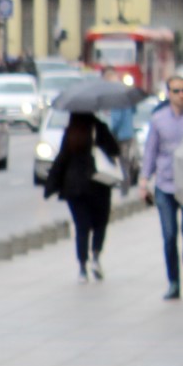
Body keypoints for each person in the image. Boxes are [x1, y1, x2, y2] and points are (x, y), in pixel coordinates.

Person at [140, 75, 183, 300]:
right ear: (169, 94)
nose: (182, 95)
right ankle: (174, 282)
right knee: (169, 236)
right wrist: (144, 180)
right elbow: (150, 150)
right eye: (177, 91)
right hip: (165, 185)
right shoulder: (158, 120)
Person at [44, 113, 121, 283]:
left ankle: (82, 268)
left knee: (81, 227)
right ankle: (95, 256)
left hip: (75, 188)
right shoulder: (100, 128)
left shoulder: (72, 132)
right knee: (100, 224)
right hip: (98, 185)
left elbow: (62, 159)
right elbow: (115, 150)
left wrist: (50, 186)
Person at [104, 67, 137, 194]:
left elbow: (116, 119)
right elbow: (134, 111)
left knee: (120, 162)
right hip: (129, 133)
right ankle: (125, 188)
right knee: (125, 161)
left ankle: (124, 189)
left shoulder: (115, 94)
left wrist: (110, 133)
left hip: (120, 135)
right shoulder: (125, 92)